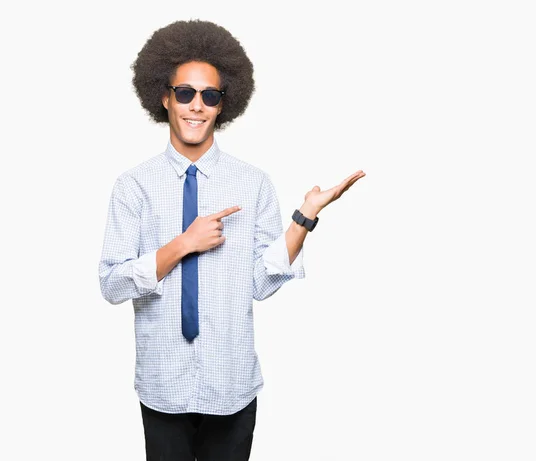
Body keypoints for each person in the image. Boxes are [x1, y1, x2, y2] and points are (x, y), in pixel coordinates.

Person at [98, 19, 365, 461]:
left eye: (210, 95)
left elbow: (261, 283)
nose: (196, 106)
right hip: (163, 385)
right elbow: (111, 285)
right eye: (185, 93)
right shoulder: (134, 187)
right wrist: (182, 244)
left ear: (224, 105)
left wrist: (305, 217)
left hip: (232, 383)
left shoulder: (253, 184)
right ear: (164, 97)